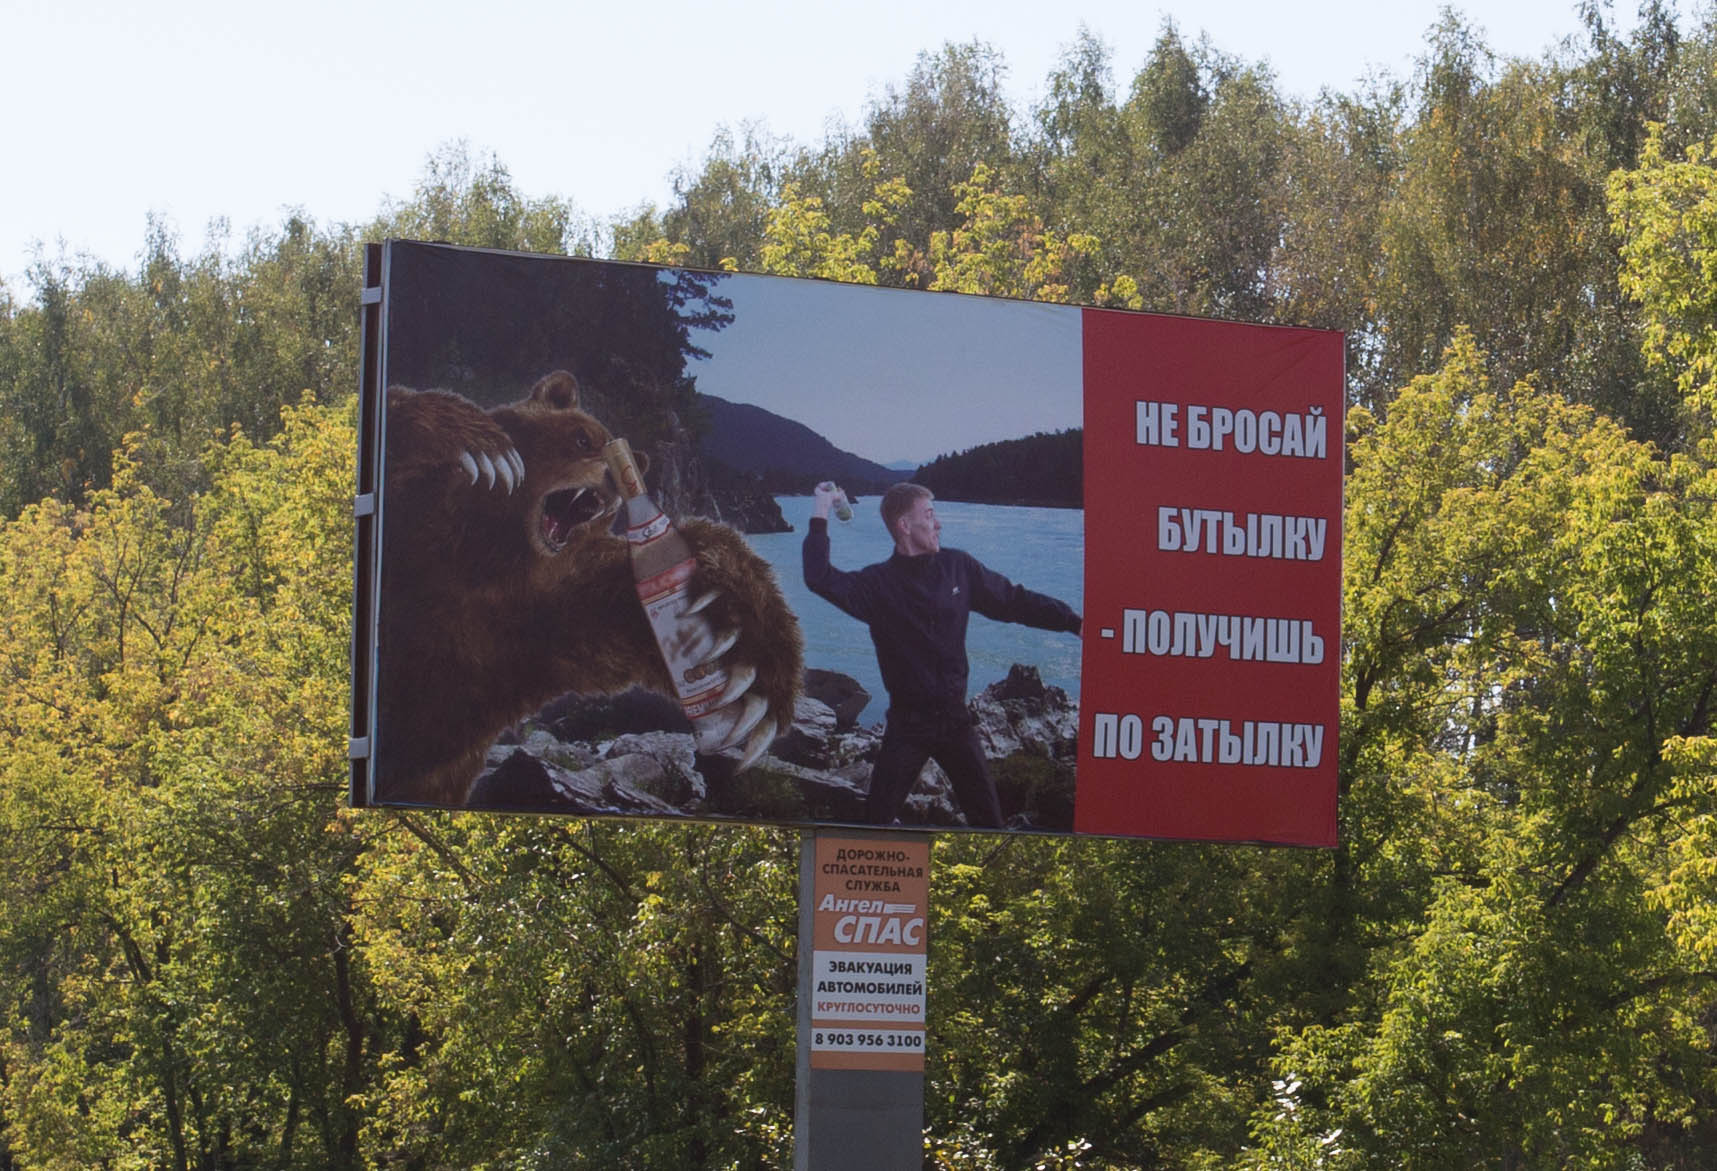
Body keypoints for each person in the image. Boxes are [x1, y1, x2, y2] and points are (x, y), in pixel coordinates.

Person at [802, 481, 1082, 827]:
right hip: (907, 728)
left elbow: (1015, 601)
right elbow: (819, 577)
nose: (938, 524)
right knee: (875, 824)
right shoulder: (876, 585)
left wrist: (1073, 622)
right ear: (905, 526)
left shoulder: (958, 568)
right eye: (930, 515)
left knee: (990, 825)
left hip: (956, 724)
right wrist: (821, 509)